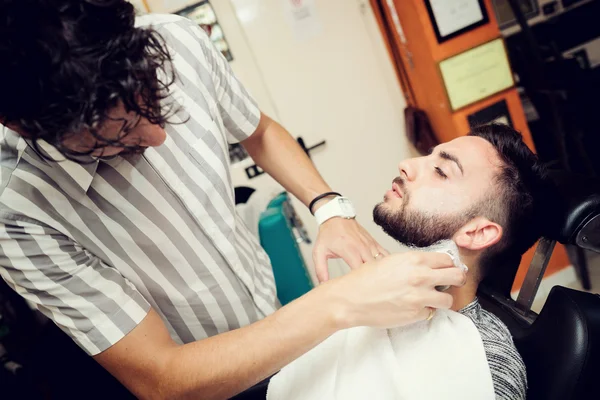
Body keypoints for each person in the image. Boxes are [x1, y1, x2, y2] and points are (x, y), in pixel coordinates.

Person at [0, 1, 466, 399]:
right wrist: (338, 303)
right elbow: (163, 378)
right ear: (25, 125)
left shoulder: (176, 41)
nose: (158, 135)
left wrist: (328, 206)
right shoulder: (18, 211)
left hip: (272, 315)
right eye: (119, 134)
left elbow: (259, 130)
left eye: (155, 99)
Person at [373, 123, 549, 399]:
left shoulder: (486, 365)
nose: (406, 164)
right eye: (430, 156)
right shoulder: (372, 296)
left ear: (477, 233)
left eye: (441, 171)